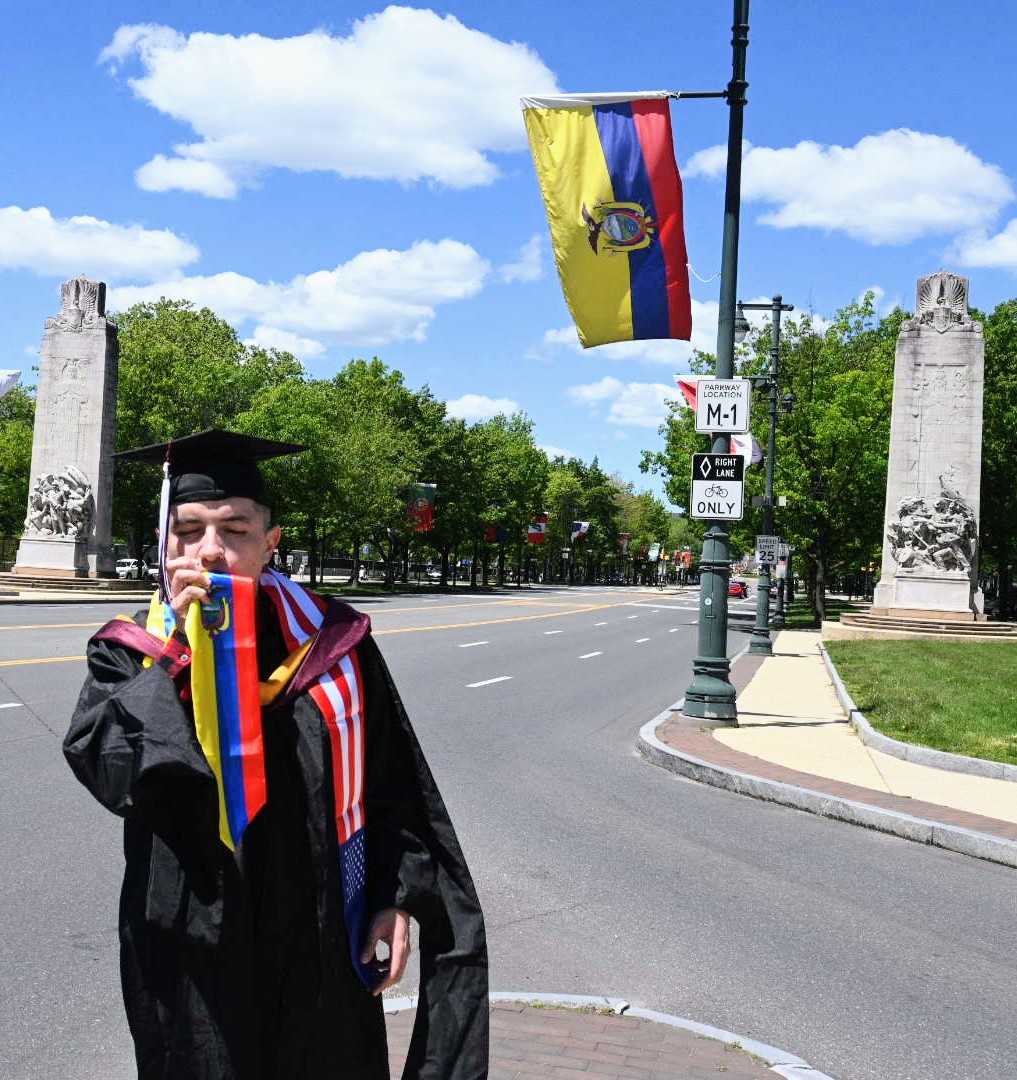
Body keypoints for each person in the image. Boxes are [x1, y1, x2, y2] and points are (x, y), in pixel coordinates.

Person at [64, 430, 488, 1079]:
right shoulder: (129, 652)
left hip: (320, 926)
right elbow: (114, 772)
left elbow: (392, 781)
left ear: (270, 543)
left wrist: (393, 898)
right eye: (189, 530)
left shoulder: (333, 641)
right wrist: (178, 654)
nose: (211, 550)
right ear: (164, 545)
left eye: (235, 529)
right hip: (192, 935)